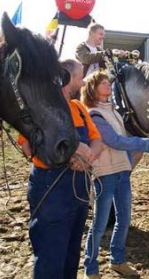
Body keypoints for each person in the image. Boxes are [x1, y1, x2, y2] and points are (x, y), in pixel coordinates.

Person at [18, 59, 103, 279]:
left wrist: (88, 156)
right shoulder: (39, 109)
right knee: (50, 256)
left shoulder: (79, 108)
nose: (83, 81)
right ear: (67, 77)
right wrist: (69, 157)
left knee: (71, 253)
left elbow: (97, 141)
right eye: (80, 76)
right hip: (51, 188)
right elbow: (28, 148)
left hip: (79, 188)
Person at [80, 70, 149, 279]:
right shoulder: (94, 114)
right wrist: (148, 143)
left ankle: (118, 260)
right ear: (92, 88)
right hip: (105, 174)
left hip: (122, 172)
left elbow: (122, 141)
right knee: (99, 224)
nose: (108, 85)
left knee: (123, 219)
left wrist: (128, 162)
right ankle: (91, 267)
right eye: (103, 83)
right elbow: (115, 141)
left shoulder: (114, 112)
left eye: (108, 82)